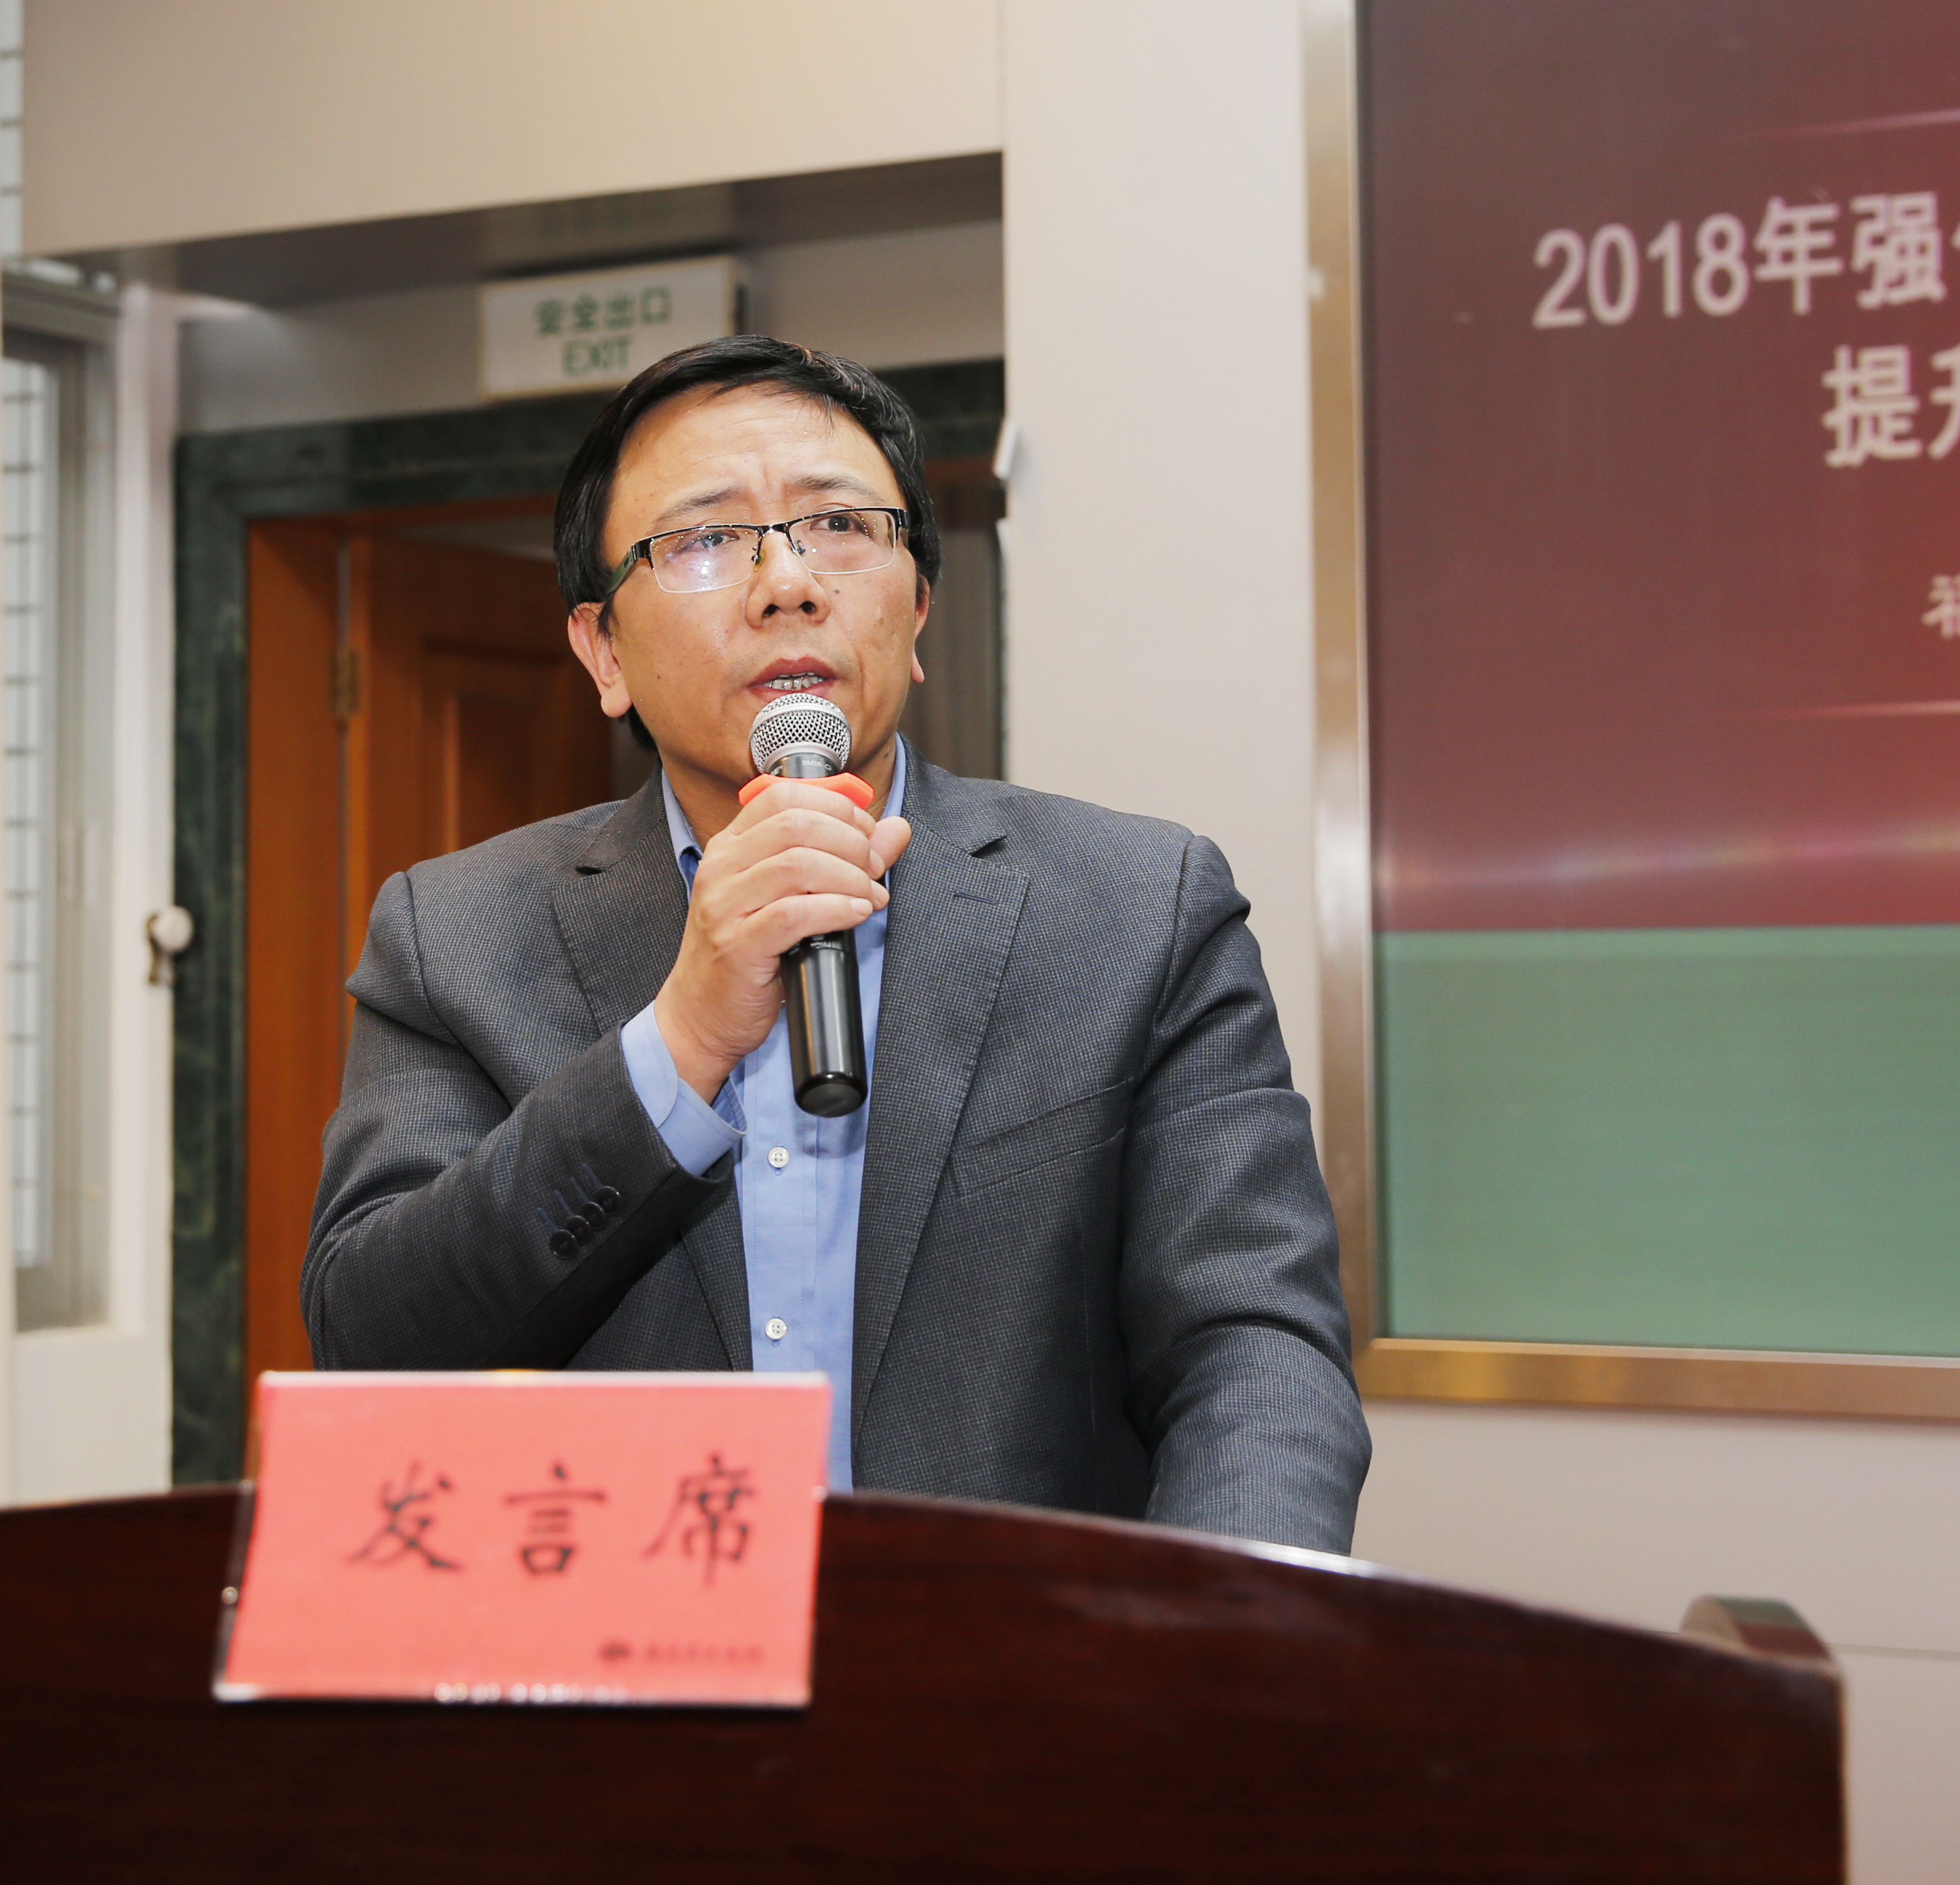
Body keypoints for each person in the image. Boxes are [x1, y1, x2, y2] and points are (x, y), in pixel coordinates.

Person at [302, 336, 1368, 1553]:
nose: (788, 585)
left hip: (1006, 1649)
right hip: (637, 1653)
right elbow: (376, 1342)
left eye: (841, 527)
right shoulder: (454, 935)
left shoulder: (1138, 909)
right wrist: (680, 1042)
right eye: (705, 539)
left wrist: (1215, 1637)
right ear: (603, 652)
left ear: (915, 611)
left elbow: (1254, 1350)